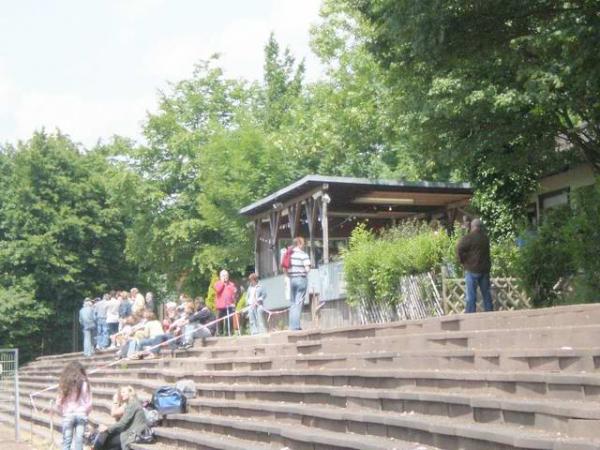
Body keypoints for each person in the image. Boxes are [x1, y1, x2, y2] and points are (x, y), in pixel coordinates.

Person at [456, 218, 493, 313]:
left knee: (471, 296)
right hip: (484, 270)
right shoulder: (485, 238)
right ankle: (490, 315)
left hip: (472, 269)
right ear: (481, 227)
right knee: (486, 295)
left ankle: (471, 316)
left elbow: (459, 248)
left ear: (472, 227)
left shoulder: (469, 237)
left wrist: (462, 261)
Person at [95, 386, 148, 450]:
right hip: (129, 431)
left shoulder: (133, 404)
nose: (121, 394)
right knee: (105, 436)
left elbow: (122, 423)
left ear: (130, 393)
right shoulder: (131, 403)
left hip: (134, 433)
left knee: (107, 440)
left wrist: (107, 428)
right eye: (121, 392)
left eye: (123, 392)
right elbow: (118, 420)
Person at [56, 361, 92, 450]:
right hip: (81, 413)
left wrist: (62, 412)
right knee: (79, 440)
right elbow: (89, 402)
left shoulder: (65, 383)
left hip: (68, 414)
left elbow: (59, 401)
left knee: (67, 440)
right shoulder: (84, 382)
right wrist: (86, 412)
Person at [287, 237, 311, 331]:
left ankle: (292, 325)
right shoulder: (303, 254)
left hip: (292, 279)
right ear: (300, 244)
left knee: (293, 303)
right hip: (301, 279)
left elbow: (285, 267)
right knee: (298, 302)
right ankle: (296, 326)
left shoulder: (289, 255)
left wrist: (289, 275)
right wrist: (305, 272)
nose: (304, 245)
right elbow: (307, 268)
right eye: (303, 243)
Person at [214, 270, 237, 336]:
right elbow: (218, 290)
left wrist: (233, 302)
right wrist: (222, 283)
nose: (225, 277)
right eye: (223, 275)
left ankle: (229, 332)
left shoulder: (231, 284)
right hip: (220, 306)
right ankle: (219, 333)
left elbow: (233, 293)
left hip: (229, 305)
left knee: (229, 320)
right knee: (219, 320)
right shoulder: (217, 283)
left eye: (226, 275)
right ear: (220, 276)